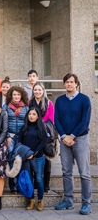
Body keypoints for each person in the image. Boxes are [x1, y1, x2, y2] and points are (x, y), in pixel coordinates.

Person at [54, 74, 92, 215]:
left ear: (76, 84)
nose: (69, 84)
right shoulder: (59, 100)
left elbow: (85, 121)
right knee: (66, 172)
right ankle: (68, 200)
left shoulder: (84, 99)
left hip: (80, 139)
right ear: (64, 84)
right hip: (64, 140)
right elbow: (56, 119)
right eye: (67, 82)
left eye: (72, 82)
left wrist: (72, 135)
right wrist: (64, 136)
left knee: (84, 173)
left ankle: (86, 203)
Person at [18, 107, 47, 211]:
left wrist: (33, 154)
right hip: (27, 158)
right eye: (30, 114)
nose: (31, 116)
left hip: (38, 157)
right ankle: (31, 200)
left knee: (38, 179)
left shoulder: (41, 127)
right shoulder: (24, 127)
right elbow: (19, 142)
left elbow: (43, 142)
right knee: (29, 180)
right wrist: (26, 153)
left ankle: (40, 200)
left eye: (34, 114)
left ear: (38, 116)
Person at [2, 86, 29, 193]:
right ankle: (12, 184)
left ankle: (20, 184)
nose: (16, 97)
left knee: (22, 159)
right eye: (14, 95)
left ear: (22, 95)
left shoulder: (26, 108)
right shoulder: (6, 107)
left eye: (18, 94)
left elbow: (28, 123)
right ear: (11, 96)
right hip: (11, 136)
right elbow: (3, 123)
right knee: (11, 155)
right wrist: (8, 136)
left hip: (22, 137)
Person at [29, 82, 54, 192]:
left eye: (39, 90)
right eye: (35, 90)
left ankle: (46, 184)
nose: (37, 92)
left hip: (46, 134)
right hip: (34, 134)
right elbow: (29, 117)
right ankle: (35, 183)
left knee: (47, 160)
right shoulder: (30, 103)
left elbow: (51, 120)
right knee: (34, 158)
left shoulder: (49, 103)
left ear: (43, 91)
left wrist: (41, 125)